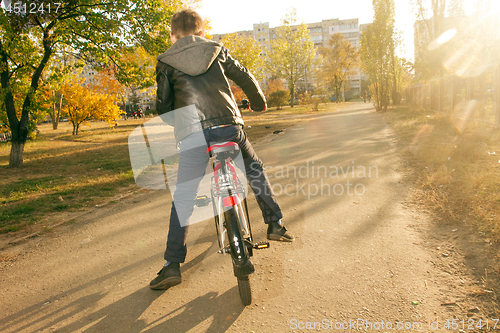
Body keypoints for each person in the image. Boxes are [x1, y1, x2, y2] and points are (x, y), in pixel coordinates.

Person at [150, 9, 294, 290]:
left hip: (192, 135)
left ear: (172, 35)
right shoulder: (216, 49)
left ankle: (172, 265)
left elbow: (163, 107)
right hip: (228, 127)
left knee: (184, 197)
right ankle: (275, 224)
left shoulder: (165, 62)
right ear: (202, 32)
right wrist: (258, 102)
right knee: (254, 170)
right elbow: (244, 76)